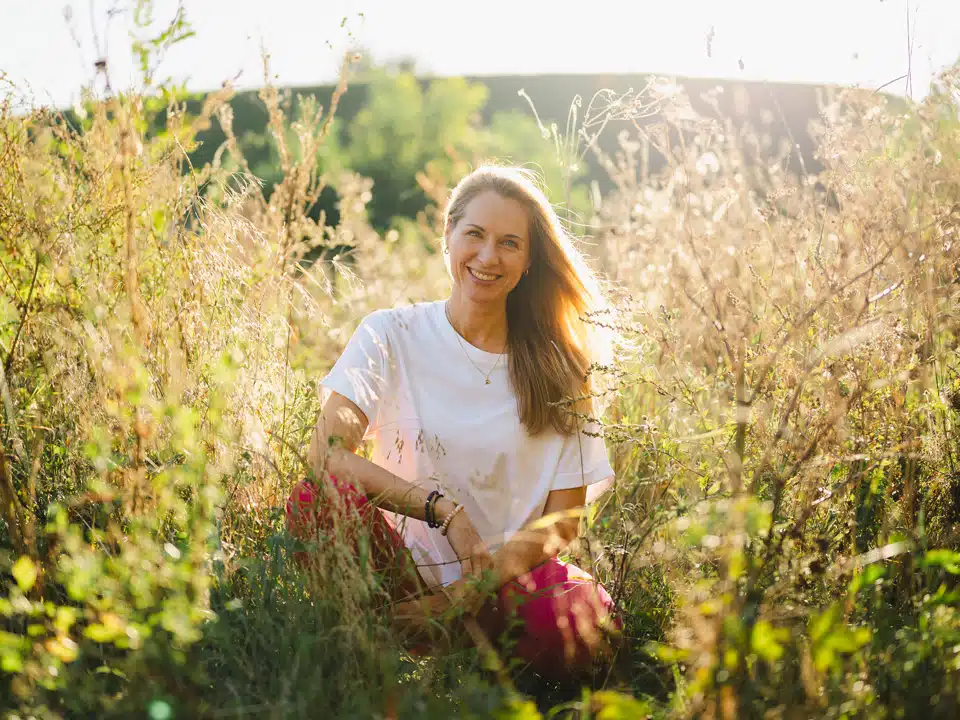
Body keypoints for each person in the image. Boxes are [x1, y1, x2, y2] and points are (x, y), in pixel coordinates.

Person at [286, 165, 621, 678]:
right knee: (315, 499)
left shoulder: (561, 368)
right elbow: (325, 453)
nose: (488, 257)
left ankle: (458, 648)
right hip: (398, 572)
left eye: (510, 243)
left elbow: (564, 519)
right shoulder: (389, 334)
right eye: (475, 235)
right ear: (448, 235)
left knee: (578, 618)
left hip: (503, 584)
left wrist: (467, 592)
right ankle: (388, 636)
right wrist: (442, 511)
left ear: (529, 260)